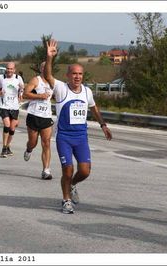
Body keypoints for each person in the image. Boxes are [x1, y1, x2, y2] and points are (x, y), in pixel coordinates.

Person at [45, 39, 112, 214]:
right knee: (67, 170)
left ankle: (73, 184)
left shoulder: (87, 91)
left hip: (81, 137)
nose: (77, 77)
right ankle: (66, 200)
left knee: (85, 171)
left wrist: (103, 124)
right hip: (64, 137)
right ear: (68, 75)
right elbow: (48, 76)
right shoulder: (61, 88)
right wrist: (49, 58)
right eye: (74, 73)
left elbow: (93, 108)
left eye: (80, 74)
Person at [23, 62, 54, 180]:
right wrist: (39, 96)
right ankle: (29, 148)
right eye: (43, 67)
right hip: (34, 115)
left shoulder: (53, 82)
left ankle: (46, 170)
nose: (45, 69)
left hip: (46, 116)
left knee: (46, 143)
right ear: (40, 69)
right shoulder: (36, 80)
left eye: (47, 68)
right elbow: (25, 94)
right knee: (33, 142)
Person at [0, 62, 24, 157]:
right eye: (8, 68)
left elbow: (22, 88)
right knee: (7, 125)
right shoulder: (1, 78)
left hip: (14, 106)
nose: (9, 70)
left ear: (14, 69)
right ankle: (3, 147)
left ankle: (8, 146)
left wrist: (21, 93)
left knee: (12, 128)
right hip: (4, 105)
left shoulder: (18, 78)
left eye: (11, 69)